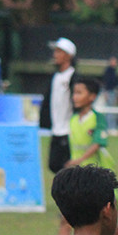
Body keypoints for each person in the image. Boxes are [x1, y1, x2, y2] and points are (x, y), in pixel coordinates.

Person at [55, 76, 118, 235]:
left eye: (79, 92)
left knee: (107, 222)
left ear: (91, 97)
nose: (75, 96)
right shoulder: (73, 120)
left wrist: (78, 161)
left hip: (99, 179)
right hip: (80, 180)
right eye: (74, 92)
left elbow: (98, 143)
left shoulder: (97, 118)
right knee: (66, 219)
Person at [43, 38, 76, 176]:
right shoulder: (55, 77)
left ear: (68, 55)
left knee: (68, 168)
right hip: (56, 129)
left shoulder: (73, 76)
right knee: (54, 165)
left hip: (68, 130)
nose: (55, 55)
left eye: (59, 51)